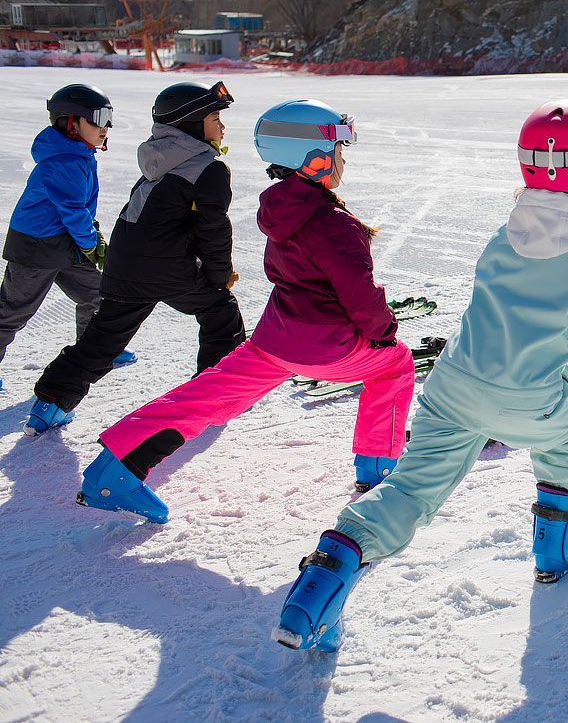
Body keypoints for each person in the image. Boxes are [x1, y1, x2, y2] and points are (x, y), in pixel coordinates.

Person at [271, 99, 568, 652]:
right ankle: (555, 546)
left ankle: (324, 580)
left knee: (410, 488)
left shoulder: (506, 232)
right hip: (530, 399)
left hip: (454, 386)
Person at [78, 99, 415, 524]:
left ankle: (113, 471)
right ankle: (378, 465)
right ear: (313, 157)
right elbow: (359, 294)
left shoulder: (280, 207)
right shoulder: (333, 221)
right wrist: (384, 331)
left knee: (207, 396)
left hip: (275, 339)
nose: (342, 159)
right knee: (395, 364)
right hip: (328, 344)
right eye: (338, 150)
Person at [27, 81, 246, 434]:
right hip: (168, 267)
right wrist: (219, 276)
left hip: (125, 263)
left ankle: (49, 404)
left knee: (104, 338)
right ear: (191, 123)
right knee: (221, 313)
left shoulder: (158, 157)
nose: (221, 126)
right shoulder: (209, 167)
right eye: (215, 117)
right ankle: (213, 398)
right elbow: (213, 228)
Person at [0, 84, 136, 392]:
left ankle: (94, 353)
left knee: (97, 294)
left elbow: (80, 211)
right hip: (37, 247)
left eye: (109, 119)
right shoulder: (64, 162)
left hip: (65, 242)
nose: (106, 128)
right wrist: (91, 243)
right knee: (13, 311)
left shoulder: (79, 155)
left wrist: (93, 233)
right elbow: (73, 211)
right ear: (71, 122)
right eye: (98, 119)